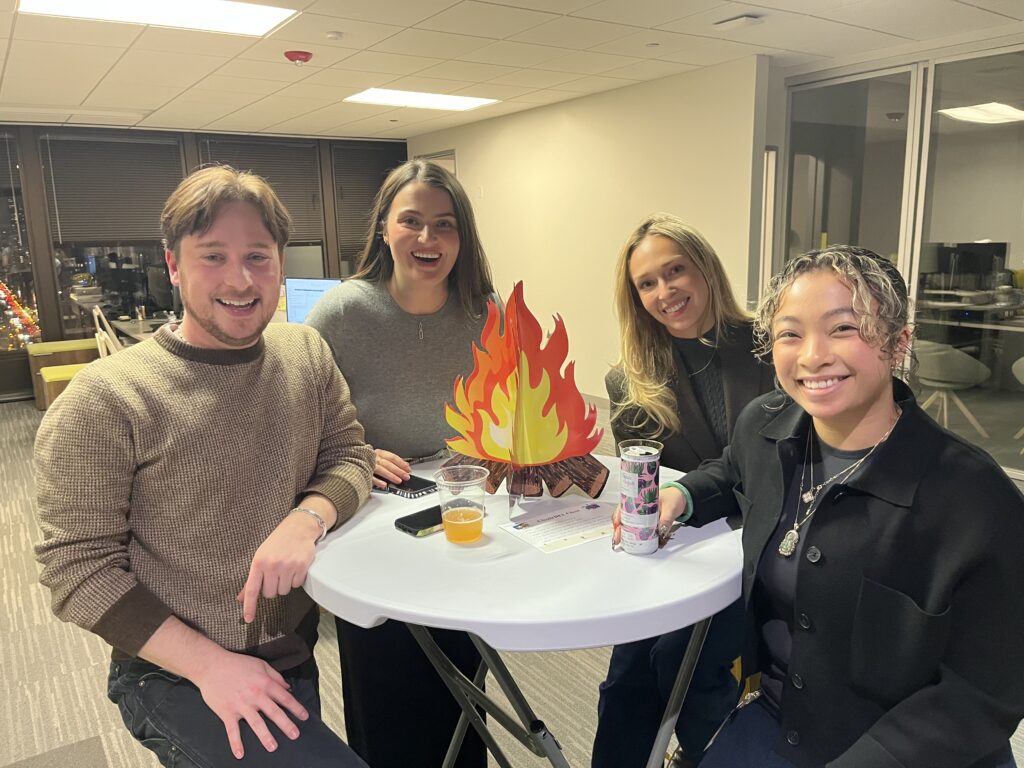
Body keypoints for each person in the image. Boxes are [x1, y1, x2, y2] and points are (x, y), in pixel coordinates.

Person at [34, 165, 376, 768]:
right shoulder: (106, 398)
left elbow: (349, 456)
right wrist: (210, 666)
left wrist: (307, 519)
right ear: (173, 266)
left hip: (290, 648)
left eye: (258, 256)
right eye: (212, 256)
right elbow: (77, 569)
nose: (240, 280)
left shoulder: (304, 353)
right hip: (172, 671)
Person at [651, 245, 1024, 768]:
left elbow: (984, 694)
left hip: (910, 751)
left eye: (843, 328)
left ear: (899, 343)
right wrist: (684, 493)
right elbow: (733, 468)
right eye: (790, 333)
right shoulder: (765, 424)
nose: (812, 356)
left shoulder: (975, 500)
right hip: (781, 720)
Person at [306, 158, 495, 768]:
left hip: (463, 510)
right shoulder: (341, 312)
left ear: (462, 237)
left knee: (463, 675)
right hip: (373, 512)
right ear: (384, 229)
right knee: (385, 684)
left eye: (444, 225)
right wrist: (356, 453)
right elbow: (298, 414)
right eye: (411, 221)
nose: (428, 239)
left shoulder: (484, 311)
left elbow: (510, 409)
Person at [593, 214, 775, 768]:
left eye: (676, 271)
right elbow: (646, 483)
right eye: (647, 283)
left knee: (680, 659)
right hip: (685, 544)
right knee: (627, 673)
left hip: (768, 542)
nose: (665, 291)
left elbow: (766, 458)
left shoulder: (771, 347)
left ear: (706, 269)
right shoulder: (629, 380)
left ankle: (705, 754)